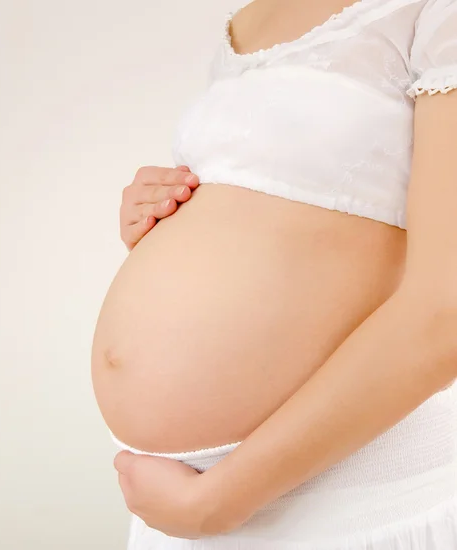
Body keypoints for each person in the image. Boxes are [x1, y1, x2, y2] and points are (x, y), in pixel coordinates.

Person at [91, 0, 457, 548]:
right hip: (184, 509)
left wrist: (218, 503)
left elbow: (445, 310)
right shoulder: (249, 19)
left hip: (345, 508)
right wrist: (164, 216)